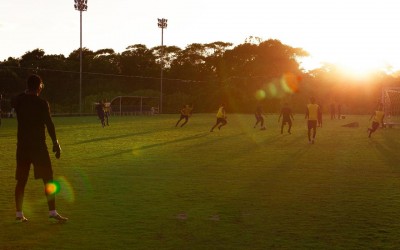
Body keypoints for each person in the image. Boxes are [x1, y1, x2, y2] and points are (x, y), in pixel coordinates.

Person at [12, 74, 67, 223]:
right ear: (39, 86)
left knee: (21, 180)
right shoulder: (42, 103)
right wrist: (55, 142)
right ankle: (52, 212)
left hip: (22, 146)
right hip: (38, 147)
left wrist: (26, 91)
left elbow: (15, 98)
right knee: (48, 179)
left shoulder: (19, 101)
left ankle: (19, 215)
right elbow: (49, 124)